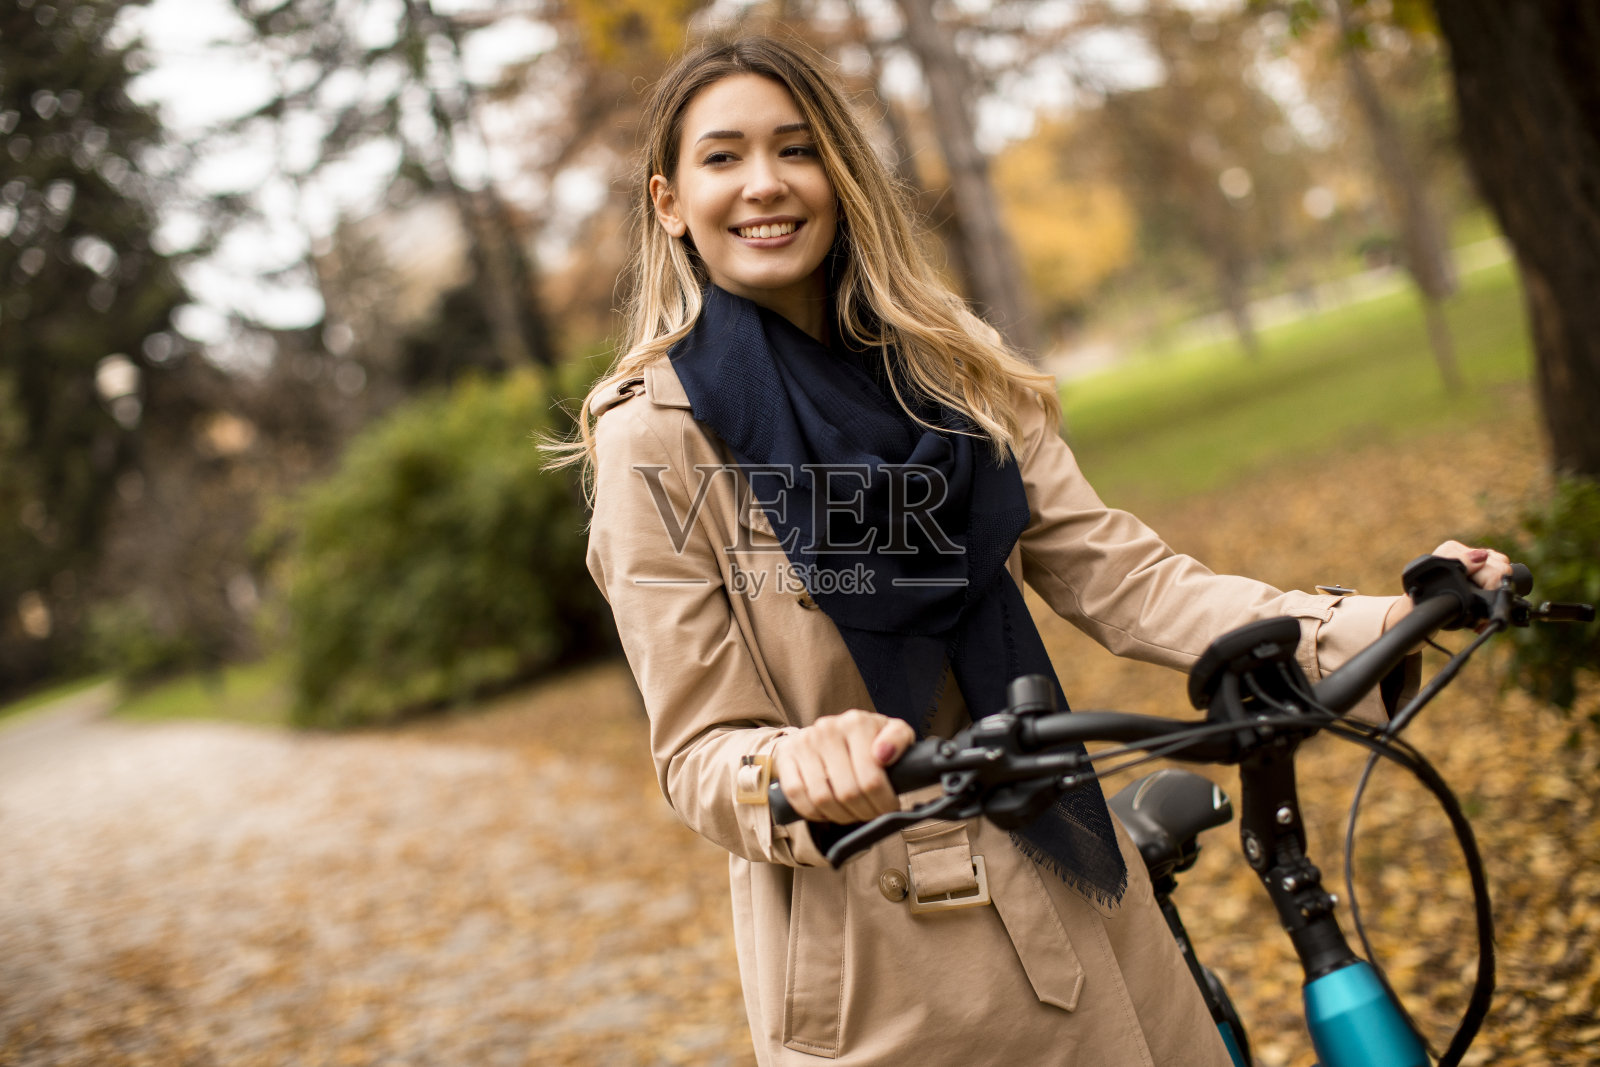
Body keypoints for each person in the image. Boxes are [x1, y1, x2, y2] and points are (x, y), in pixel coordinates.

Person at [563, 34, 1513, 1066]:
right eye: (722, 157)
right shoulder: (653, 434)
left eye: (796, 149)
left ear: (837, 173)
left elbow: (1122, 577)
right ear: (669, 200)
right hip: (887, 965)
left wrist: (1370, 618)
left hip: (1078, 883)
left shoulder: (945, 366)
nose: (765, 184)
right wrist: (793, 760)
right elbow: (699, 753)